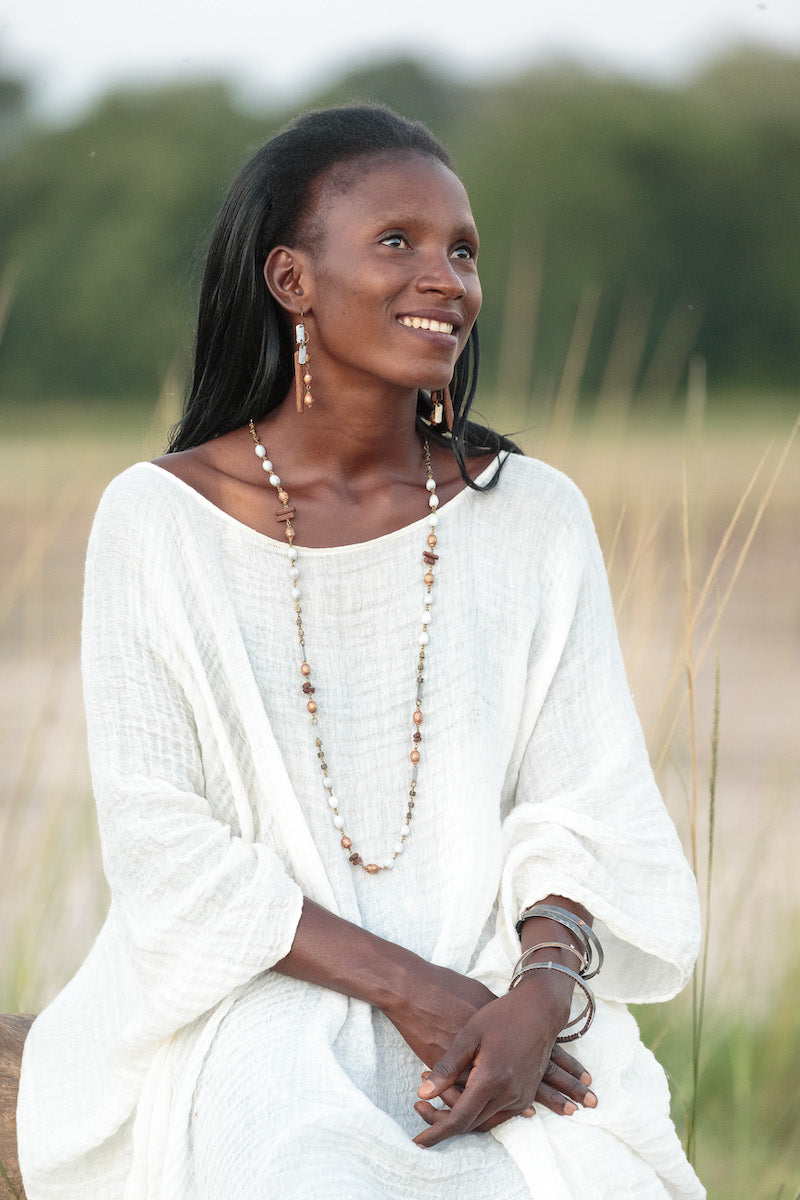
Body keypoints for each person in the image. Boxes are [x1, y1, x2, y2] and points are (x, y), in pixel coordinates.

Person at [17, 104, 705, 1200]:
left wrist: (538, 992)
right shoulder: (159, 520)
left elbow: (590, 796)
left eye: (462, 251)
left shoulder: (529, 513)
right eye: (397, 242)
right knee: (301, 1167)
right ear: (291, 280)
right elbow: (160, 838)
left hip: (501, 993)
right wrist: (399, 986)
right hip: (261, 993)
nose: (446, 279)